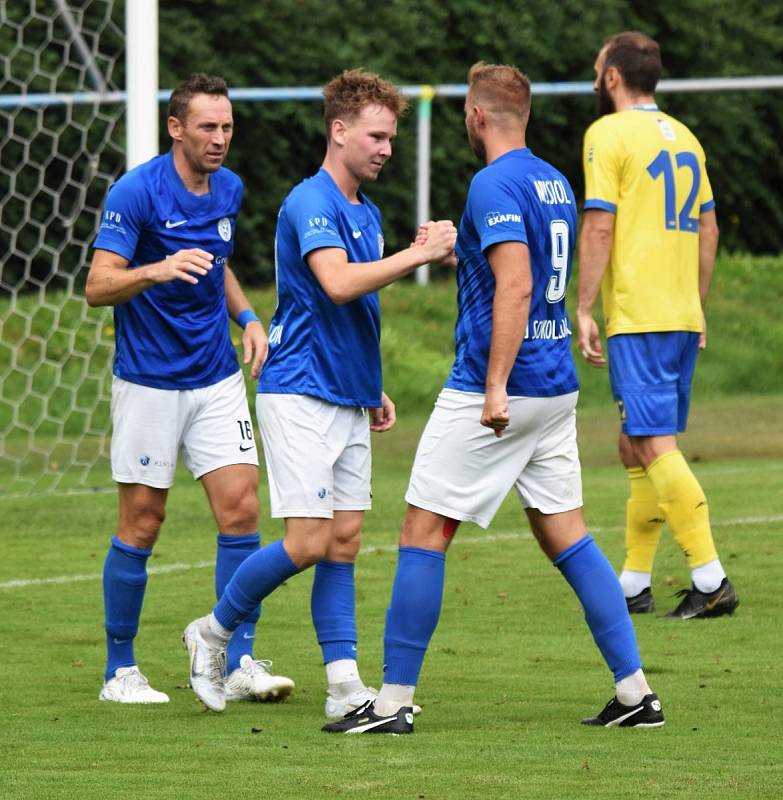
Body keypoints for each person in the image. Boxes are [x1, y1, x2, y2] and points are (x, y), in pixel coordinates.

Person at [323, 62, 663, 734]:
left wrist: (495, 386)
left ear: (476, 117)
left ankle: (391, 703)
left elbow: (514, 285)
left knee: (423, 529)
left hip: (502, 387)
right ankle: (635, 694)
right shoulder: (553, 180)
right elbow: (521, 274)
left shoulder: (491, 182)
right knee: (565, 534)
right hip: (556, 384)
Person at [182, 69, 457, 714]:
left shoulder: (367, 210)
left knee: (344, 541)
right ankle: (212, 632)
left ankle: (342, 688)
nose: (387, 148)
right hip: (299, 391)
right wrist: (418, 256)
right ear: (339, 131)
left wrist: (372, 383)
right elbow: (335, 283)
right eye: (377, 135)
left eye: (391, 137)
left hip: (346, 393)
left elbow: (352, 311)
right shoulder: (311, 202)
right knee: (307, 541)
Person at [86, 73, 293, 704]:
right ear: (176, 128)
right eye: (208, 126)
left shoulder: (228, 188)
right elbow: (98, 285)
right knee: (143, 523)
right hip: (149, 384)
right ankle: (119, 671)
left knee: (243, 511)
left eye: (227, 126)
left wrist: (250, 318)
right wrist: (157, 269)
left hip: (217, 379)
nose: (220, 139)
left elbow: (218, 266)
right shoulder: (137, 191)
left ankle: (237, 656)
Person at [575, 32, 739, 619]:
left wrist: (584, 306)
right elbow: (709, 230)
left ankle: (710, 577)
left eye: (599, 70)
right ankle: (633, 584)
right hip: (677, 314)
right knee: (633, 443)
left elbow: (598, 226)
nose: (596, 78)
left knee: (652, 442)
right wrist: (695, 306)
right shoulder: (686, 136)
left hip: (640, 315)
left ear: (613, 76)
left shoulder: (608, 133)